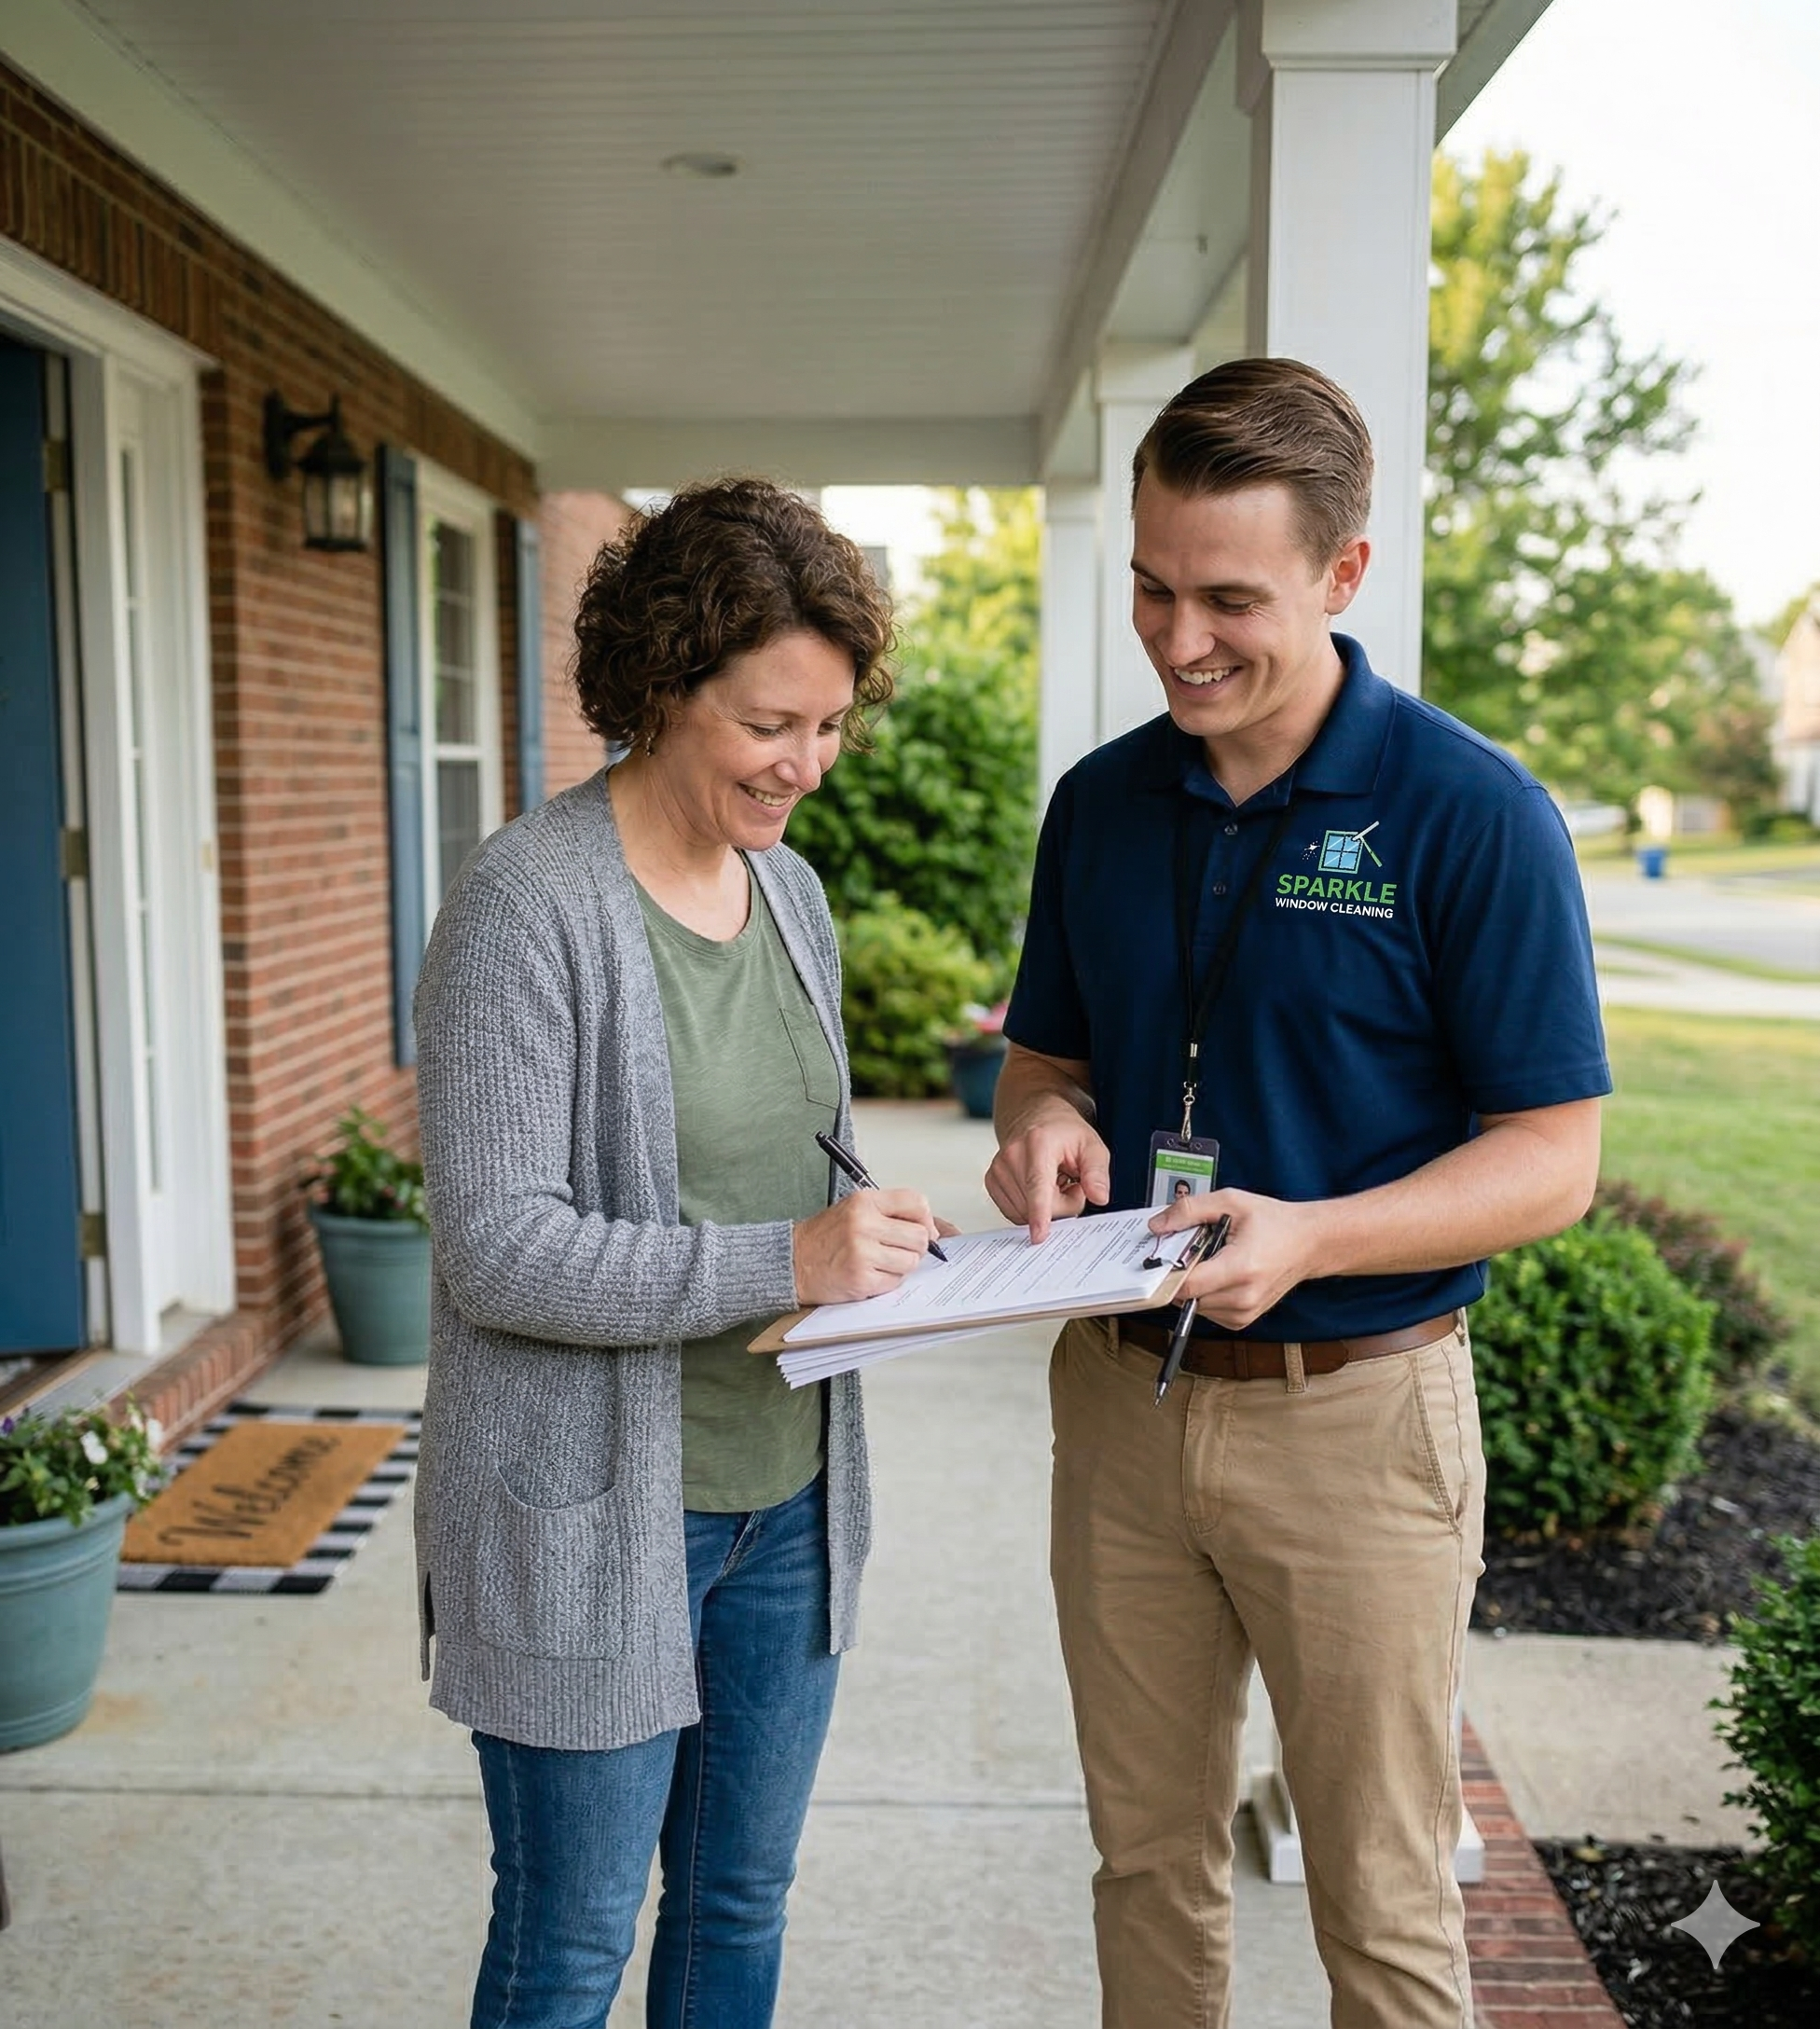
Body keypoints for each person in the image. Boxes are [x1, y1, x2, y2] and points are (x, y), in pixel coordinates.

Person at [986, 358, 1609, 2029]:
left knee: (1383, 1900)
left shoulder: (1472, 816)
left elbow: (1556, 1158)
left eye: (1229, 599)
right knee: (1145, 1864)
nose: (1179, 636)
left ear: (1343, 575)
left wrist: (1315, 1235)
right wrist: (1039, 1122)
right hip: (1121, 1400)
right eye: (1152, 585)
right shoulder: (1100, 804)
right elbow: (1044, 1058)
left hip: (1361, 1419)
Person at [412, 477, 946, 2029]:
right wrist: (790, 1258)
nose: (810, 766)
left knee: (733, 1907)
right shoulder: (529, 903)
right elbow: (499, 1250)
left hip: (785, 1507)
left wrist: (897, 1246)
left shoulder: (789, 892)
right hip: (589, 1523)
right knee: (571, 1941)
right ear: (663, 685)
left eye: (833, 726)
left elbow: (794, 1162)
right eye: (773, 723)